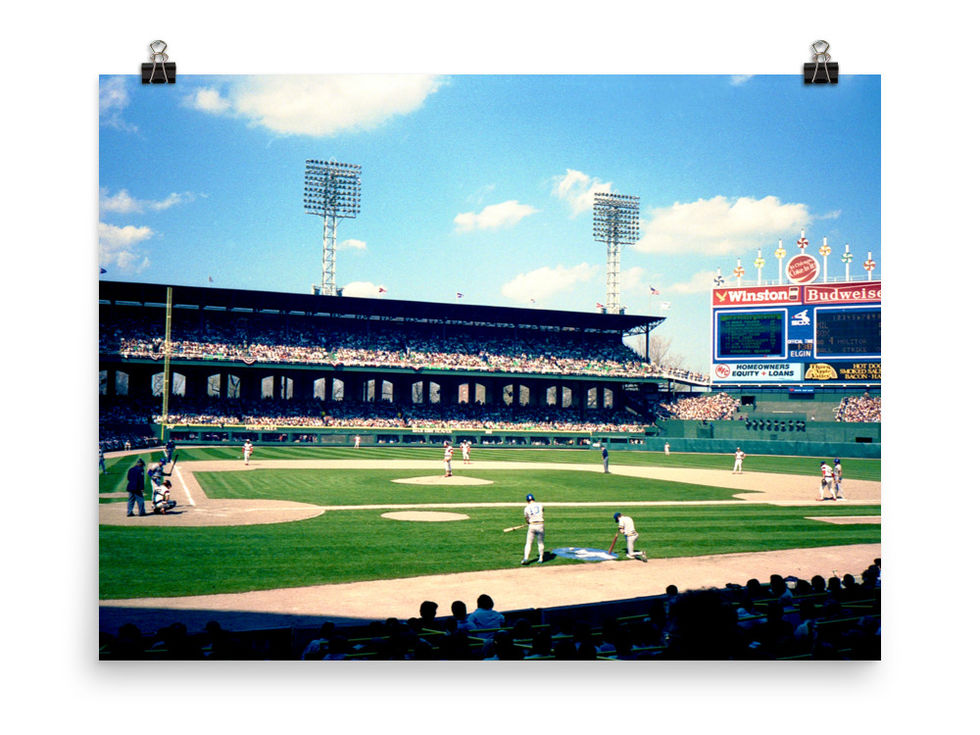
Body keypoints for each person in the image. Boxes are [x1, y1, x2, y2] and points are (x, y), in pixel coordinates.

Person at [521, 493, 545, 565]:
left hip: (532, 525)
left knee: (528, 543)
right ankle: (541, 558)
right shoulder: (540, 505)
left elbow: (526, 518)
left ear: (527, 501)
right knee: (540, 542)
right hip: (540, 524)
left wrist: (528, 522)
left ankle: (526, 558)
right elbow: (542, 511)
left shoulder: (526, 508)